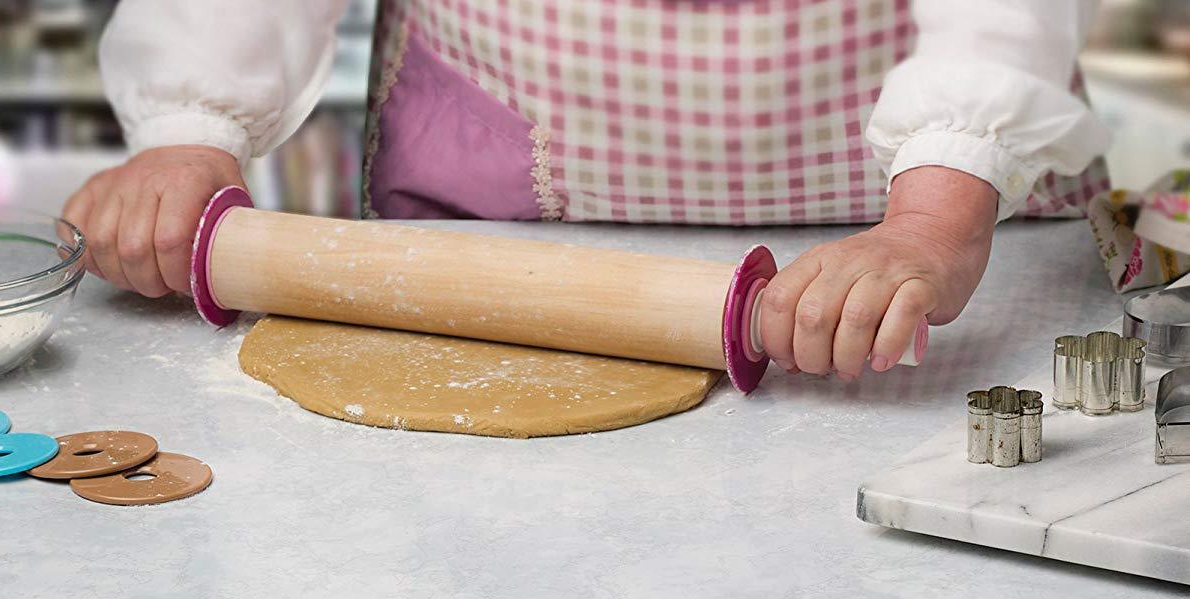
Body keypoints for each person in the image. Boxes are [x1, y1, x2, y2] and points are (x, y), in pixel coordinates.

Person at [67, 0, 1109, 381]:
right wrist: (188, 121)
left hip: (938, 216)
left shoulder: (942, 209)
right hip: (488, 199)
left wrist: (934, 214)